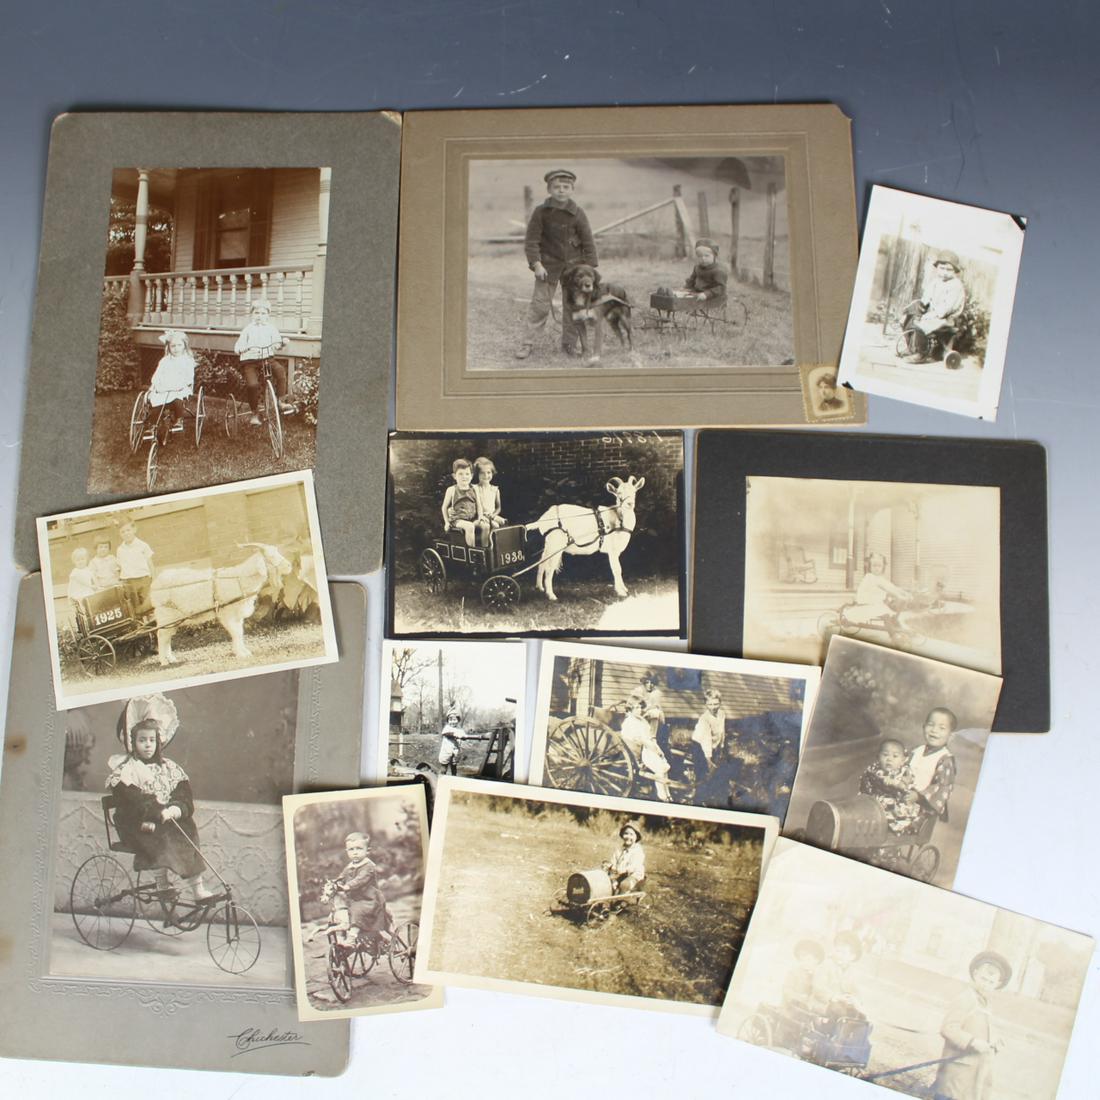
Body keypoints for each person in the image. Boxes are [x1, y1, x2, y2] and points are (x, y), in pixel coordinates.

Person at [106, 693, 212, 903]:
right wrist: (156, 810)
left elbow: (183, 793)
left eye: (152, 740)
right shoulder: (127, 770)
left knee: (187, 827)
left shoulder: (169, 768)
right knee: (156, 831)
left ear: (159, 742)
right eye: (142, 740)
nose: (147, 745)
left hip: (165, 818)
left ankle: (197, 887)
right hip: (136, 823)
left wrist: (176, 808)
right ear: (132, 742)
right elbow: (131, 799)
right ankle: (161, 882)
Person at [515, 168, 598, 360]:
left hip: (574, 269)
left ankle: (569, 345)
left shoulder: (578, 213)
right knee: (540, 306)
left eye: (566, 187)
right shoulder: (541, 212)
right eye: (556, 187)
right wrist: (536, 264)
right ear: (549, 190)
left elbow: (588, 241)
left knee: (573, 307)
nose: (561, 190)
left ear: (572, 189)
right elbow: (531, 241)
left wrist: (589, 268)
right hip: (547, 267)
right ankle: (527, 344)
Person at [932, 950, 1011, 1100]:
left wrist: (995, 1041)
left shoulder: (986, 1003)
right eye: (983, 978)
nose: (985, 984)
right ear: (975, 974)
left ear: (997, 984)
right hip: (956, 1072)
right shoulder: (965, 998)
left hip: (974, 1073)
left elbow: (981, 1028)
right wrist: (972, 1041)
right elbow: (948, 1028)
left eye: (991, 982)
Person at [325, 831, 391, 949]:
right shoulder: (349, 867)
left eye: (359, 849)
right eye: (351, 849)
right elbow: (342, 877)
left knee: (357, 911)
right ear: (347, 851)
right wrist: (335, 884)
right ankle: (341, 938)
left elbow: (361, 879)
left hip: (369, 899)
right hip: (354, 899)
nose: (355, 852)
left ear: (367, 850)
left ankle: (351, 940)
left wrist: (347, 886)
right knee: (342, 912)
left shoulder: (369, 866)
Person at [234, 299, 291, 427]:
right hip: (250, 361)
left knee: (280, 371)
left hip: (267, 359)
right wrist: (241, 348)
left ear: (268, 315)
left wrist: (282, 342)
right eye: (257, 313)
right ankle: (255, 412)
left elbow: (276, 345)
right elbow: (238, 345)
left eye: (263, 313)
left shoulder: (271, 328)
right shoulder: (248, 329)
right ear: (252, 315)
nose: (260, 316)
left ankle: (281, 401)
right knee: (252, 385)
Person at [903, 251, 966, 362]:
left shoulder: (956, 286)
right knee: (908, 319)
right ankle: (911, 347)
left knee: (921, 325)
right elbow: (926, 296)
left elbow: (947, 308)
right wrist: (921, 308)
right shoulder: (936, 282)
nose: (945, 272)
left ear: (955, 271)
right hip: (933, 313)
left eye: (949, 270)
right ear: (937, 268)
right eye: (942, 268)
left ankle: (921, 354)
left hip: (946, 318)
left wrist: (929, 315)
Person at [903, 707, 958, 831]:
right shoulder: (916, 750)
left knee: (904, 821)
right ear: (923, 727)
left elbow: (941, 785)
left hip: (923, 804)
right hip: (904, 794)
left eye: (942, 728)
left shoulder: (945, 759)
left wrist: (919, 796)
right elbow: (903, 767)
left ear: (951, 736)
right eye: (931, 725)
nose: (934, 730)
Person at [858, 737, 920, 834]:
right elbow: (866, 779)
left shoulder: (904, 772)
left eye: (895, 756)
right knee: (863, 808)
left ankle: (889, 828)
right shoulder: (875, 768)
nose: (889, 759)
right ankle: (867, 828)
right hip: (877, 798)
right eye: (885, 755)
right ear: (878, 756)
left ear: (903, 760)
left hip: (897, 801)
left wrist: (896, 783)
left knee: (886, 806)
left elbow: (906, 787)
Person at [619, 697, 672, 801]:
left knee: (664, 768)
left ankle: (668, 794)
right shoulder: (629, 722)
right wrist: (654, 749)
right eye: (636, 707)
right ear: (630, 709)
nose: (639, 709)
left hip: (649, 747)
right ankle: (663, 796)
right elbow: (640, 740)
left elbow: (650, 737)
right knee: (659, 770)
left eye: (640, 707)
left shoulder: (641, 720)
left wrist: (658, 749)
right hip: (641, 751)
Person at [811, 931, 865, 1032]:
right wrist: (835, 997)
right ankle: (835, 1036)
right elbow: (818, 988)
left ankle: (850, 1040)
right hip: (823, 1004)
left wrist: (854, 999)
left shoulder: (852, 972)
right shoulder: (826, 965)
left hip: (842, 1006)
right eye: (837, 951)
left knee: (861, 1018)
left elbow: (856, 991)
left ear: (852, 956)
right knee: (841, 1013)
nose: (838, 954)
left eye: (843, 952)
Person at [149, 329, 196, 445]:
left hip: (180, 386)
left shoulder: (187, 360)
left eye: (179, 345)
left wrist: (181, 385)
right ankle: (153, 425)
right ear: (168, 347)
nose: (176, 348)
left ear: (184, 346)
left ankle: (179, 419)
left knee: (177, 399)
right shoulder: (165, 361)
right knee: (156, 402)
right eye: (173, 346)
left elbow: (189, 376)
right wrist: (155, 384)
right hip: (165, 386)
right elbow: (158, 374)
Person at [844, 551, 909, 627]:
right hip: (866, 604)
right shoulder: (870, 577)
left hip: (876, 603)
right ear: (870, 567)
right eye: (874, 566)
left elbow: (892, 587)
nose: (877, 568)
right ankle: (892, 632)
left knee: (895, 606)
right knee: (885, 614)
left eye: (879, 566)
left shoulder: (880, 578)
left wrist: (904, 592)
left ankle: (895, 621)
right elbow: (887, 589)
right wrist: (898, 595)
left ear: (883, 567)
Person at [441, 458, 485, 549]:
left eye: (467, 474)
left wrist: (480, 517)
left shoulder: (474, 488)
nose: (464, 477)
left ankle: (485, 552)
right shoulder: (452, 490)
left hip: (472, 519)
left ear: (471, 476)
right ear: (454, 476)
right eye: (460, 474)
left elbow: (479, 505)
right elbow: (444, 507)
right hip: (457, 520)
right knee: (470, 527)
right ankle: (472, 554)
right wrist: (446, 522)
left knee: (485, 526)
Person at [116, 521, 155, 617]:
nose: (126, 533)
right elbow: (120, 567)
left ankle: (152, 625)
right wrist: (120, 581)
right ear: (120, 534)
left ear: (134, 529)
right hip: (128, 581)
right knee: (134, 606)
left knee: (148, 604)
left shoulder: (143, 545)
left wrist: (153, 578)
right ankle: (139, 626)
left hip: (143, 579)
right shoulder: (120, 549)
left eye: (128, 530)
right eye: (122, 532)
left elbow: (150, 563)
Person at [690, 689, 727, 783]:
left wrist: (721, 746)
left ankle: (712, 788)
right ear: (706, 704)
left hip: (713, 743)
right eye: (710, 704)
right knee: (703, 771)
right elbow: (706, 739)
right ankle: (698, 789)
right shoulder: (704, 719)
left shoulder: (722, 714)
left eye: (716, 704)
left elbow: (722, 731)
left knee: (715, 770)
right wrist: (708, 758)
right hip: (699, 744)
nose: (713, 707)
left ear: (720, 703)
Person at [683, 237, 729, 312]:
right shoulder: (697, 267)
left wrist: (707, 294)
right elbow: (692, 279)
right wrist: (686, 288)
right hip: (698, 292)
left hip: (713, 296)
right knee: (683, 298)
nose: (703, 259)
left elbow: (720, 287)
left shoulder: (719, 271)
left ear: (714, 256)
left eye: (707, 256)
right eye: (700, 256)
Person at [781, 939, 825, 1014]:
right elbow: (787, 991)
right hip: (793, 1009)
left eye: (808, 959)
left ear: (817, 960)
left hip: (812, 1011)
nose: (804, 963)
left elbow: (822, 993)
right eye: (802, 960)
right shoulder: (793, 973)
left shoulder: (820, 975)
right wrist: (800, 997)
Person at [604, 822, 646, 895]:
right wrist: (611, 866)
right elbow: (614, 860)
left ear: (636, 837)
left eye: (631, 834)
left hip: (633, 875)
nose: (628, 837)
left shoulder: (638, 851)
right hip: (619, 874)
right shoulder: (619, 849)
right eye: (626, 833)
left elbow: (634, 866)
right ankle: (607, 899)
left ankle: (619, 903)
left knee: (624, 885)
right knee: (607, 881)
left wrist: (624, 870)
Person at [472, 456, 506, 530]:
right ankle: (490, 541)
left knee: (502, 522)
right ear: (477, 474)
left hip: (492, 515)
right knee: (494, 525)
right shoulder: (475, 488)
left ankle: (500, 540)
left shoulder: (495, 489)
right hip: (480, 516)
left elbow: (498, 507)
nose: (486, 476)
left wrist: (494, 515)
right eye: (482, 473)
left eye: (488, 472)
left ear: (492, 473)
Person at [67, 547, 97, 618]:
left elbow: (93, 579)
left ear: (86, 560)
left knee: (91, 606)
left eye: (82, 559)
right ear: (74, 561)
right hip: (78, 593)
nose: (80, 561)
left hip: (88, 592)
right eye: (78, 560)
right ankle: (85, 619)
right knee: (82, 609)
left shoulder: (88, 570)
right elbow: (81, 580)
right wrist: (91, 586)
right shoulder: (75, 572)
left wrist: (96, 586)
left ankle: (92, 618)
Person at [438, 708, 467, 776]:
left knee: (454, 766)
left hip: (455, 751)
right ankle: (442, 778)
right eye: (450, 720)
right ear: (448, 721)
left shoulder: (459, 729)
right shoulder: (447, 728)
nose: (452, 722)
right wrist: (454, 734)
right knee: (444, 767)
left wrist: (464, 737)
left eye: (454, 719)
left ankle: (454, 778)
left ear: (458, 720)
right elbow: (445, 733)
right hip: (446, 751)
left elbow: (464, 736)